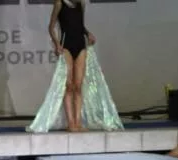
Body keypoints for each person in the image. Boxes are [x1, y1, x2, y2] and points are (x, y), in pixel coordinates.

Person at [27, 0, 122, 133]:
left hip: (80, 45)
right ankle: (71, 123)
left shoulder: (81, 3)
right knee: (69, 85)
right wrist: (56, 44)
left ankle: (78, 122)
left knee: (78, 86)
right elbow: (51, 26)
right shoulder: (59, 3)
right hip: (66, 46)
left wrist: (88, 33)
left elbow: (80, 25)